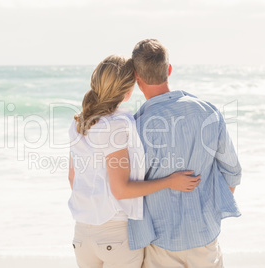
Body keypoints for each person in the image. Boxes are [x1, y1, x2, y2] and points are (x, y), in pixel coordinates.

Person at [68, 55, 201, 268]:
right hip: (115, 236)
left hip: (82, 235)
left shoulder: (80, 123)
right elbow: (120, 190)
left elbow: (73, 179)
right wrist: (169, 181)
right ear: (128, 90)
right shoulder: (117, 124)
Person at [127, 39, 242, 268]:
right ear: (168, 70)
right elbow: (233, 172)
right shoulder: (207, 111)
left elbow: (129, 189)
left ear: (136, 77)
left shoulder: (137, 126)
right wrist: (208, 213)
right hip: (204, 237)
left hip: (162, 241)